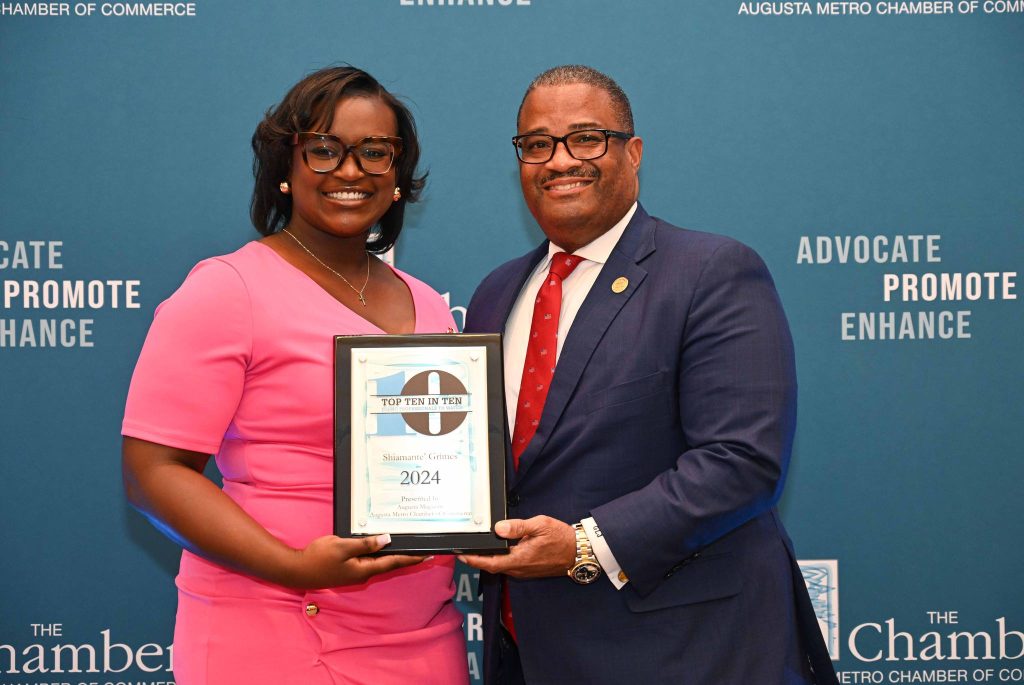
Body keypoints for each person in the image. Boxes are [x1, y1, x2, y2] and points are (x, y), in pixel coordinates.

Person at [460, 65, 839, 685]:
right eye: (536, 144)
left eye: (586, 138)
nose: (559, 160)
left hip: (686, 651)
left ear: (632, 153)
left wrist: (585, 546)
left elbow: (742, 460)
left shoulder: (711, 271)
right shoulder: (496, 293)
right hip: (532, 649)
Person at [121, 66, 468, 685]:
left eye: (375, 153)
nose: (351, 170)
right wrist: (294, 566)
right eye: (325, 150)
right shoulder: (228, 289)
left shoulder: (429, 305)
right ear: (286, 167)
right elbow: (153, 475)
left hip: (420, 634)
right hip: (274, 623)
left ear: (397, 180)